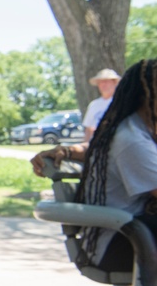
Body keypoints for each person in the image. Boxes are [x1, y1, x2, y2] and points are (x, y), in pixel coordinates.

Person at [31, 59, 157, 271]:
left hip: (132, 236)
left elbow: (98, 150)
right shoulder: (133, 140)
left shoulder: (139, 132)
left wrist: (70, 151)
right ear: (147, 96)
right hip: (123, 242)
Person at [83, 68, 120, 141]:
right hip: (97, 146)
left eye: (106, 81)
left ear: (114, 83)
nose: (103, 85)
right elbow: (88, 129)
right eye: (100, 82)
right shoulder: (93, 105)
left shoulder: (121, 102)